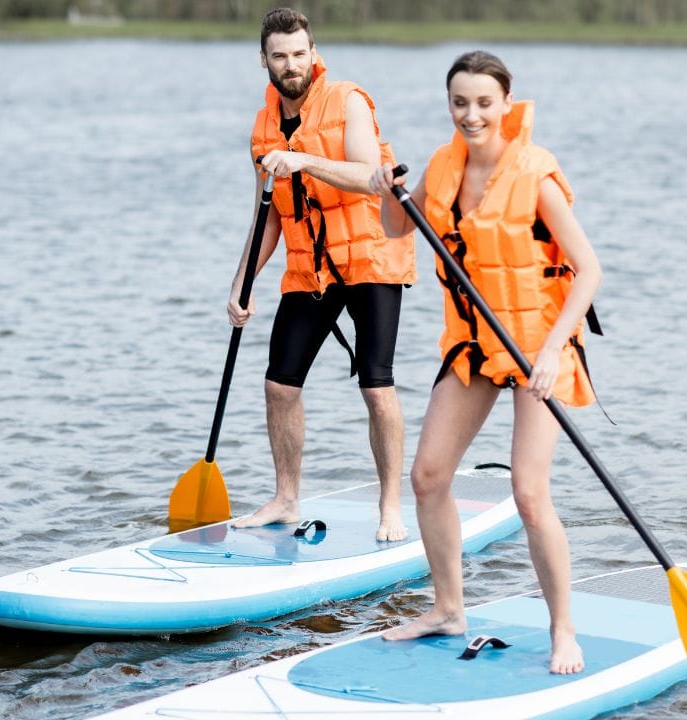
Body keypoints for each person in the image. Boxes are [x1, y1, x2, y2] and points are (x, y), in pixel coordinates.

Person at [368, 50, 603, 674]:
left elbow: (590, 271)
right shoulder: (444, 167)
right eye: (459, 102)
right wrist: (384, 190)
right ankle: (448, 608)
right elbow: (396, 226)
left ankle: (563, 631)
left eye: (482, 102)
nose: (471, 114)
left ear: (505, 103)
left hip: (537, 348)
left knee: (528, 493)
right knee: (427, 477)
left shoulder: (536, 175)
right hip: (476, 346)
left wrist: (553, 351)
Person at [229, 8, 417, 542]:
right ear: (263, 60)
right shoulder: (263, 127)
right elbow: (269, 212)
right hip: (311, 267)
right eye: (279, 56)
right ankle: (286, 499)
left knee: (376, 386)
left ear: (314, 53)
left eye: (299, 53)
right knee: (279, 385)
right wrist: (241, 283)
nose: (291, 65)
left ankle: (391, 508)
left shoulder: (348, 100)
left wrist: (303, 159)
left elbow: (367, 178)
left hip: (372, 259)